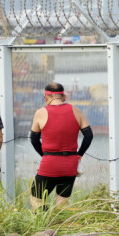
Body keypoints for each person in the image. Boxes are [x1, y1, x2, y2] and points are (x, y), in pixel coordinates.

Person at [29, 82, 93, 210]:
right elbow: (89, 136)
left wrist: (45, 155)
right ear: (63, 97)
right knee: (62, 204)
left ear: (46, 97)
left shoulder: (41, 113)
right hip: (71, 164)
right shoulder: (76, 111)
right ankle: (62, 227)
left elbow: (34, 139)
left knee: (36, 199)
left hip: (50, 162)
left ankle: (44, 227)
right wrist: (78, 155)